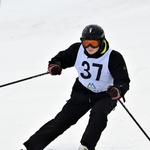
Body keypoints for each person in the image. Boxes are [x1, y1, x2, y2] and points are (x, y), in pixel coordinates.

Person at [23, 24, 130, 150]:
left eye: (94, 43)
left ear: (101, 42)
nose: (89, 47)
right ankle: (31, 147)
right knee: (61, 121)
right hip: (82, 92)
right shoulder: (77, 50)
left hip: (105, 94)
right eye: (86, 43)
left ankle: (86, 147)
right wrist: (55, 66)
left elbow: (123, 80)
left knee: (99, 114)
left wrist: (118, 89)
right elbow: (60, 59)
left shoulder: (114, 57)